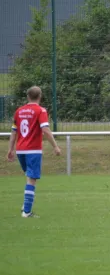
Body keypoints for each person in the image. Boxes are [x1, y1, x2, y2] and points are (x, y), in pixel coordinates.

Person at [6, 86, 61, 218]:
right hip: (33, 150)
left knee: (29, 176)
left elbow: (14, 132)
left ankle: (25, 206)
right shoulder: (40, 110)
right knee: (32, 179)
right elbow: (45, 130)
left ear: (27, 97)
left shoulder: (19, 111)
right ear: (40, 96)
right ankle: (27, 212)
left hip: (20, 150)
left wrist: (10, 149)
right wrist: (55, 146)